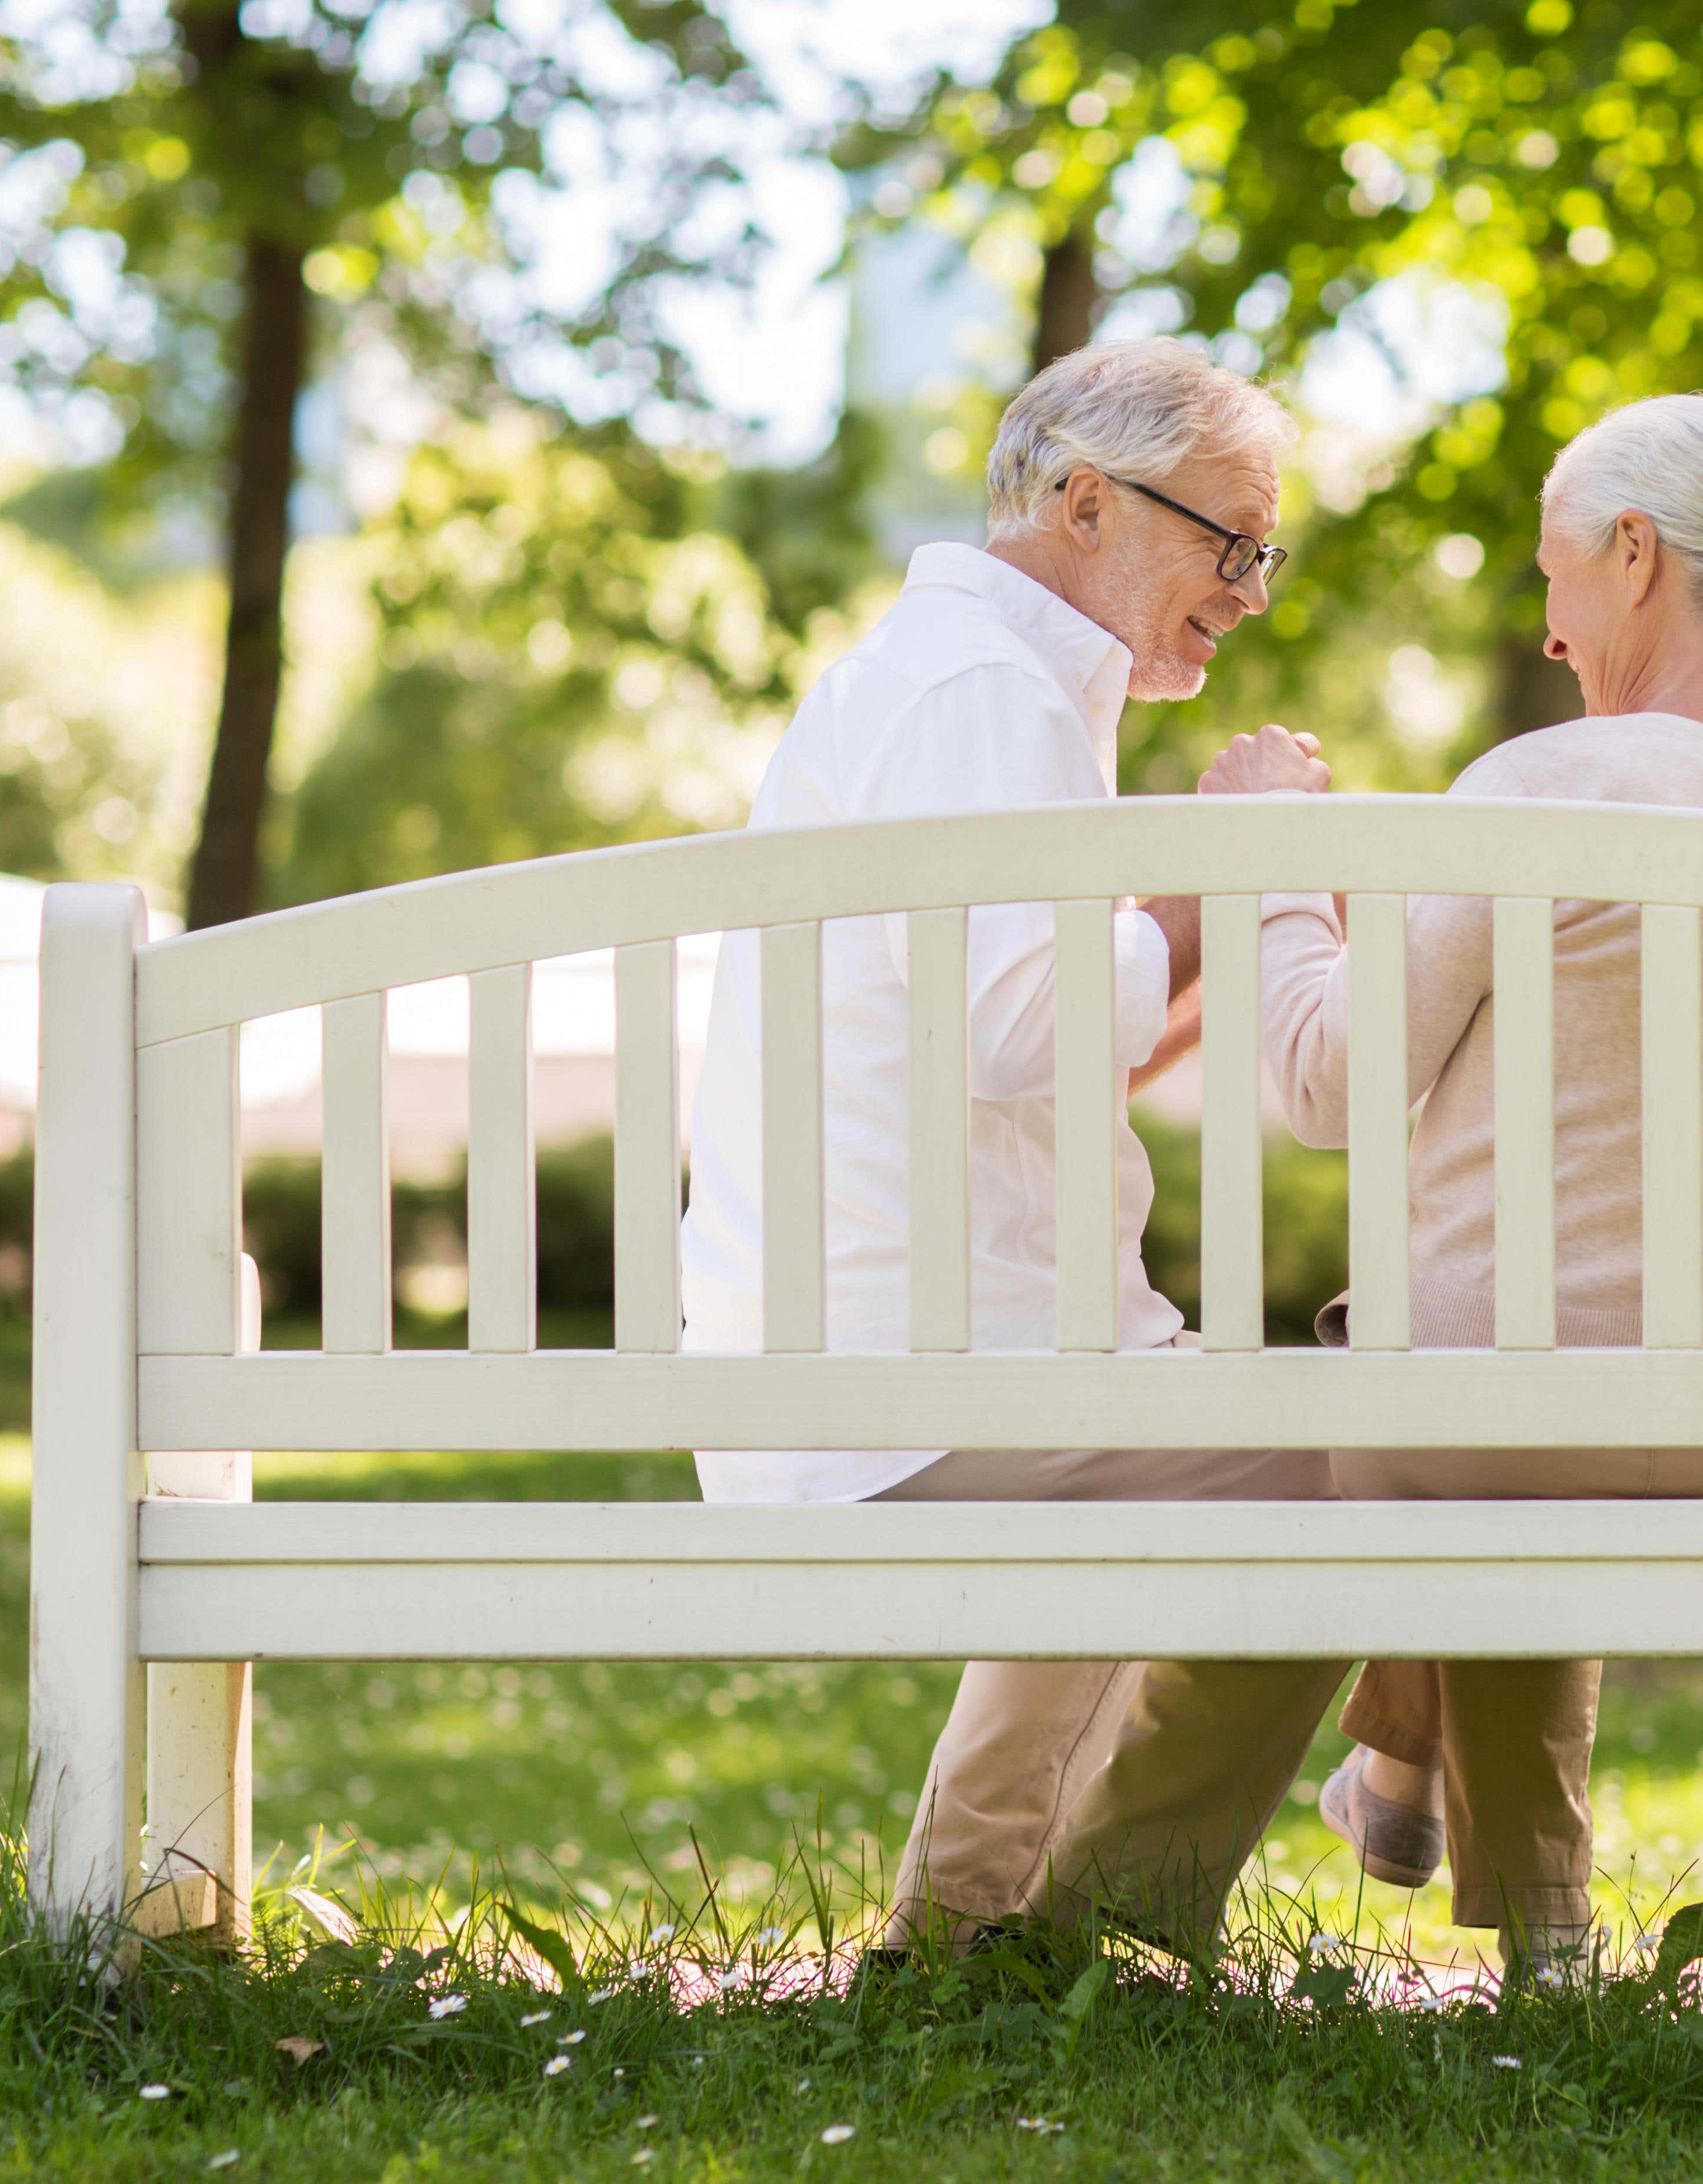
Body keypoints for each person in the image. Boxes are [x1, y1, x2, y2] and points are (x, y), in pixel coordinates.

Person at [1030, 393, 1703, 1978]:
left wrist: (1268, 861)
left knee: (1335, 1451)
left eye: (1558, 577)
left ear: (1634, 556)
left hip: (1507, 1411)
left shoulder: (1550, 788)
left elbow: (1319, 1084)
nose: (1556, 633)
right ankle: (1533, 1925)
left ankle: (1100, 1926)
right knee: (1509, 1413)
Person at [673, 339, 1323, 1953]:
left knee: (1199, 1443)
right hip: (905, 1382)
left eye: (1265, 553)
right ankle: (1081, 1926)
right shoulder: (983, 695)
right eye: (1229, 540)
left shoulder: (988, 685)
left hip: (905, 1362)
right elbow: (1018, 1030)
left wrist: (1211, 924)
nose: (1251, 590)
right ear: (1085, 500)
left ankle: (967, 1934)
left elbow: (1035, 1061)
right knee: (1349, 1471)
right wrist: (1209, 883)